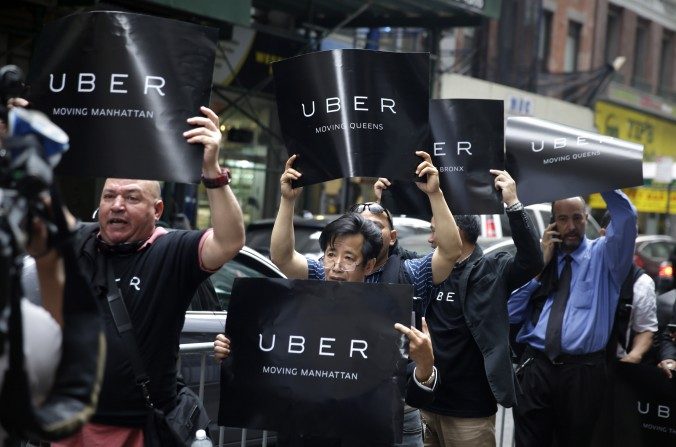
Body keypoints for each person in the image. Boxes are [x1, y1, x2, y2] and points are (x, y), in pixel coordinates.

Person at [53, 106, 245, 447]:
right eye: (109, 195)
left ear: (157, 210)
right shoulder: (80, 241)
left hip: (140, 432)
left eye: (131, 197)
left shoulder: (172, 251)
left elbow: (229, 240)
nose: (117, 205)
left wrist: (212, 171)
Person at [268, 152, 461, 446]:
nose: (368, 231)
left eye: (376, 227)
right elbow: (283, 257)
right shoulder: (328, 272)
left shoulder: (410, 274)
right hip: (334, 410)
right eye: (359, 225)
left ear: (391, 237)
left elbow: (449, 251)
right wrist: (287, 200)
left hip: (393, 413)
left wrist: (434, 193)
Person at [216, 212, 437, 446]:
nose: (336, 267)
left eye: (349, 258)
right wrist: (236, 353)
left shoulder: (387, 318)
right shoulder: (297, 309)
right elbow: (271, 367)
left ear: (369, 265)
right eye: (331, 255)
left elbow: (414, 396)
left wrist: (425, 366)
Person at [417, 170, 543, 447]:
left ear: (456, 232)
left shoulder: (492, 268)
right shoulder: (429, 271)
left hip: (470, 412)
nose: (429, 239)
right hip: (427, 404)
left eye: (433, 229)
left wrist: (513, 203)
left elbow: (532, 261)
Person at [508, 190, 637, 446]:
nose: (571, 227)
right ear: (553, 222)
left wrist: (597, 177)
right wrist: (539, 266)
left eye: (577, 218)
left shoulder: (605, 257)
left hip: (582, 374)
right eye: (563, 219)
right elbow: (510, 312)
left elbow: (626, 216)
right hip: (536, 368)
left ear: (586, 218)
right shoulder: (542, 259)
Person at [598, 212, 657, 363]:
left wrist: (634, 355)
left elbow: (646, 329)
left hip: (615, 366)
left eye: (632, 236)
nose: (627, 242)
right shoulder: (585, 269)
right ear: (602, 234)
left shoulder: (642, 283)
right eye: (621, 235)